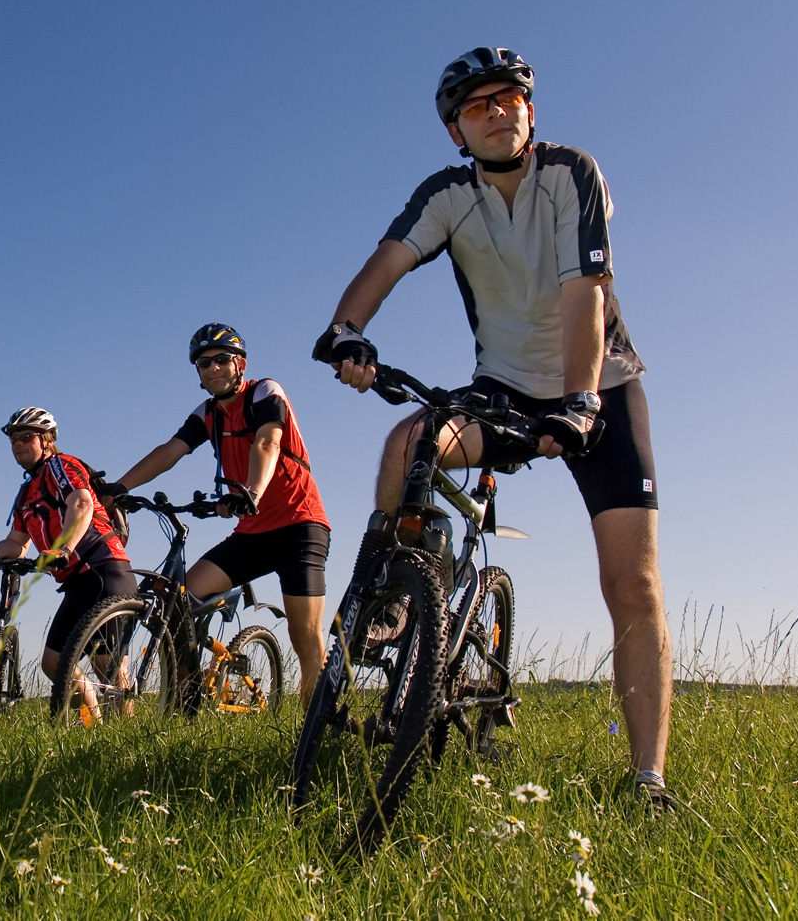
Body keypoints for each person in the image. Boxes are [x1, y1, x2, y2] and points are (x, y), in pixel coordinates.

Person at [312, 47, 675, 809]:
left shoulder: (573, 172)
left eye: (510, 98)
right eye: (478, 105)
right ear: (456, 130)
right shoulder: (448, 194)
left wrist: (579, 402)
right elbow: (385, 262)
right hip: (503, 390)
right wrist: (347, 328)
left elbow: (587, 295)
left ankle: (648, 777)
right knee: (407, 444)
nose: (498, 111)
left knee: (632, 582)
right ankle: (405, 597)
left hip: (599, 387)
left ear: (530, 110)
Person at [111, 323, 331, 708]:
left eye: (221, 360)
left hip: (300, 525)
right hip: (252, 534)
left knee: (305, 637)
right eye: (202, 363)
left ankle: (315, 729)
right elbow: (170, 450)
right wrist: (119, 488)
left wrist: (251, 492)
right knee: (178, 599)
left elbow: (268, 441)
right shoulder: (208, 414)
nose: (212, 368)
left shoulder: (265, 392)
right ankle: (187, 698)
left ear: (240, 364)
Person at [0, 407, 136, 718]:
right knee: (54, 663)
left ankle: (129, 742)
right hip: (76, 581)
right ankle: (93, 730)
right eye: (13, 439)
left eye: (26, 437)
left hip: (104, 568)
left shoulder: (60, 466)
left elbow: (82, 502)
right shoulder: (27, 490)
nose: (17, 444)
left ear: (48, 441)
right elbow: (16, 543)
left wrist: (62, 549)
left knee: (109, 668)